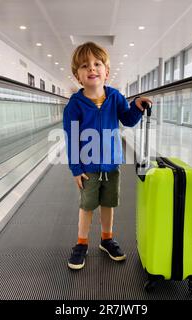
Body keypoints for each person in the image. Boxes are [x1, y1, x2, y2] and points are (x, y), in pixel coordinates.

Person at [63, 42, 152, 270]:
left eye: (97, 64)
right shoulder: (75, 105)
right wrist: (76, 169)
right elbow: (72, 139)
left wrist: (137, 107)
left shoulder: (115, 97)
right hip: (88, 166)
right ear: (78, 76)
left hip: (112, 164)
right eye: (85, 66)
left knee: (108, 203)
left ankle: (106, 239)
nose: (92, 69)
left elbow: (128, 119)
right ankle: (81, 243)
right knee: (87, 205)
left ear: (106, 71)